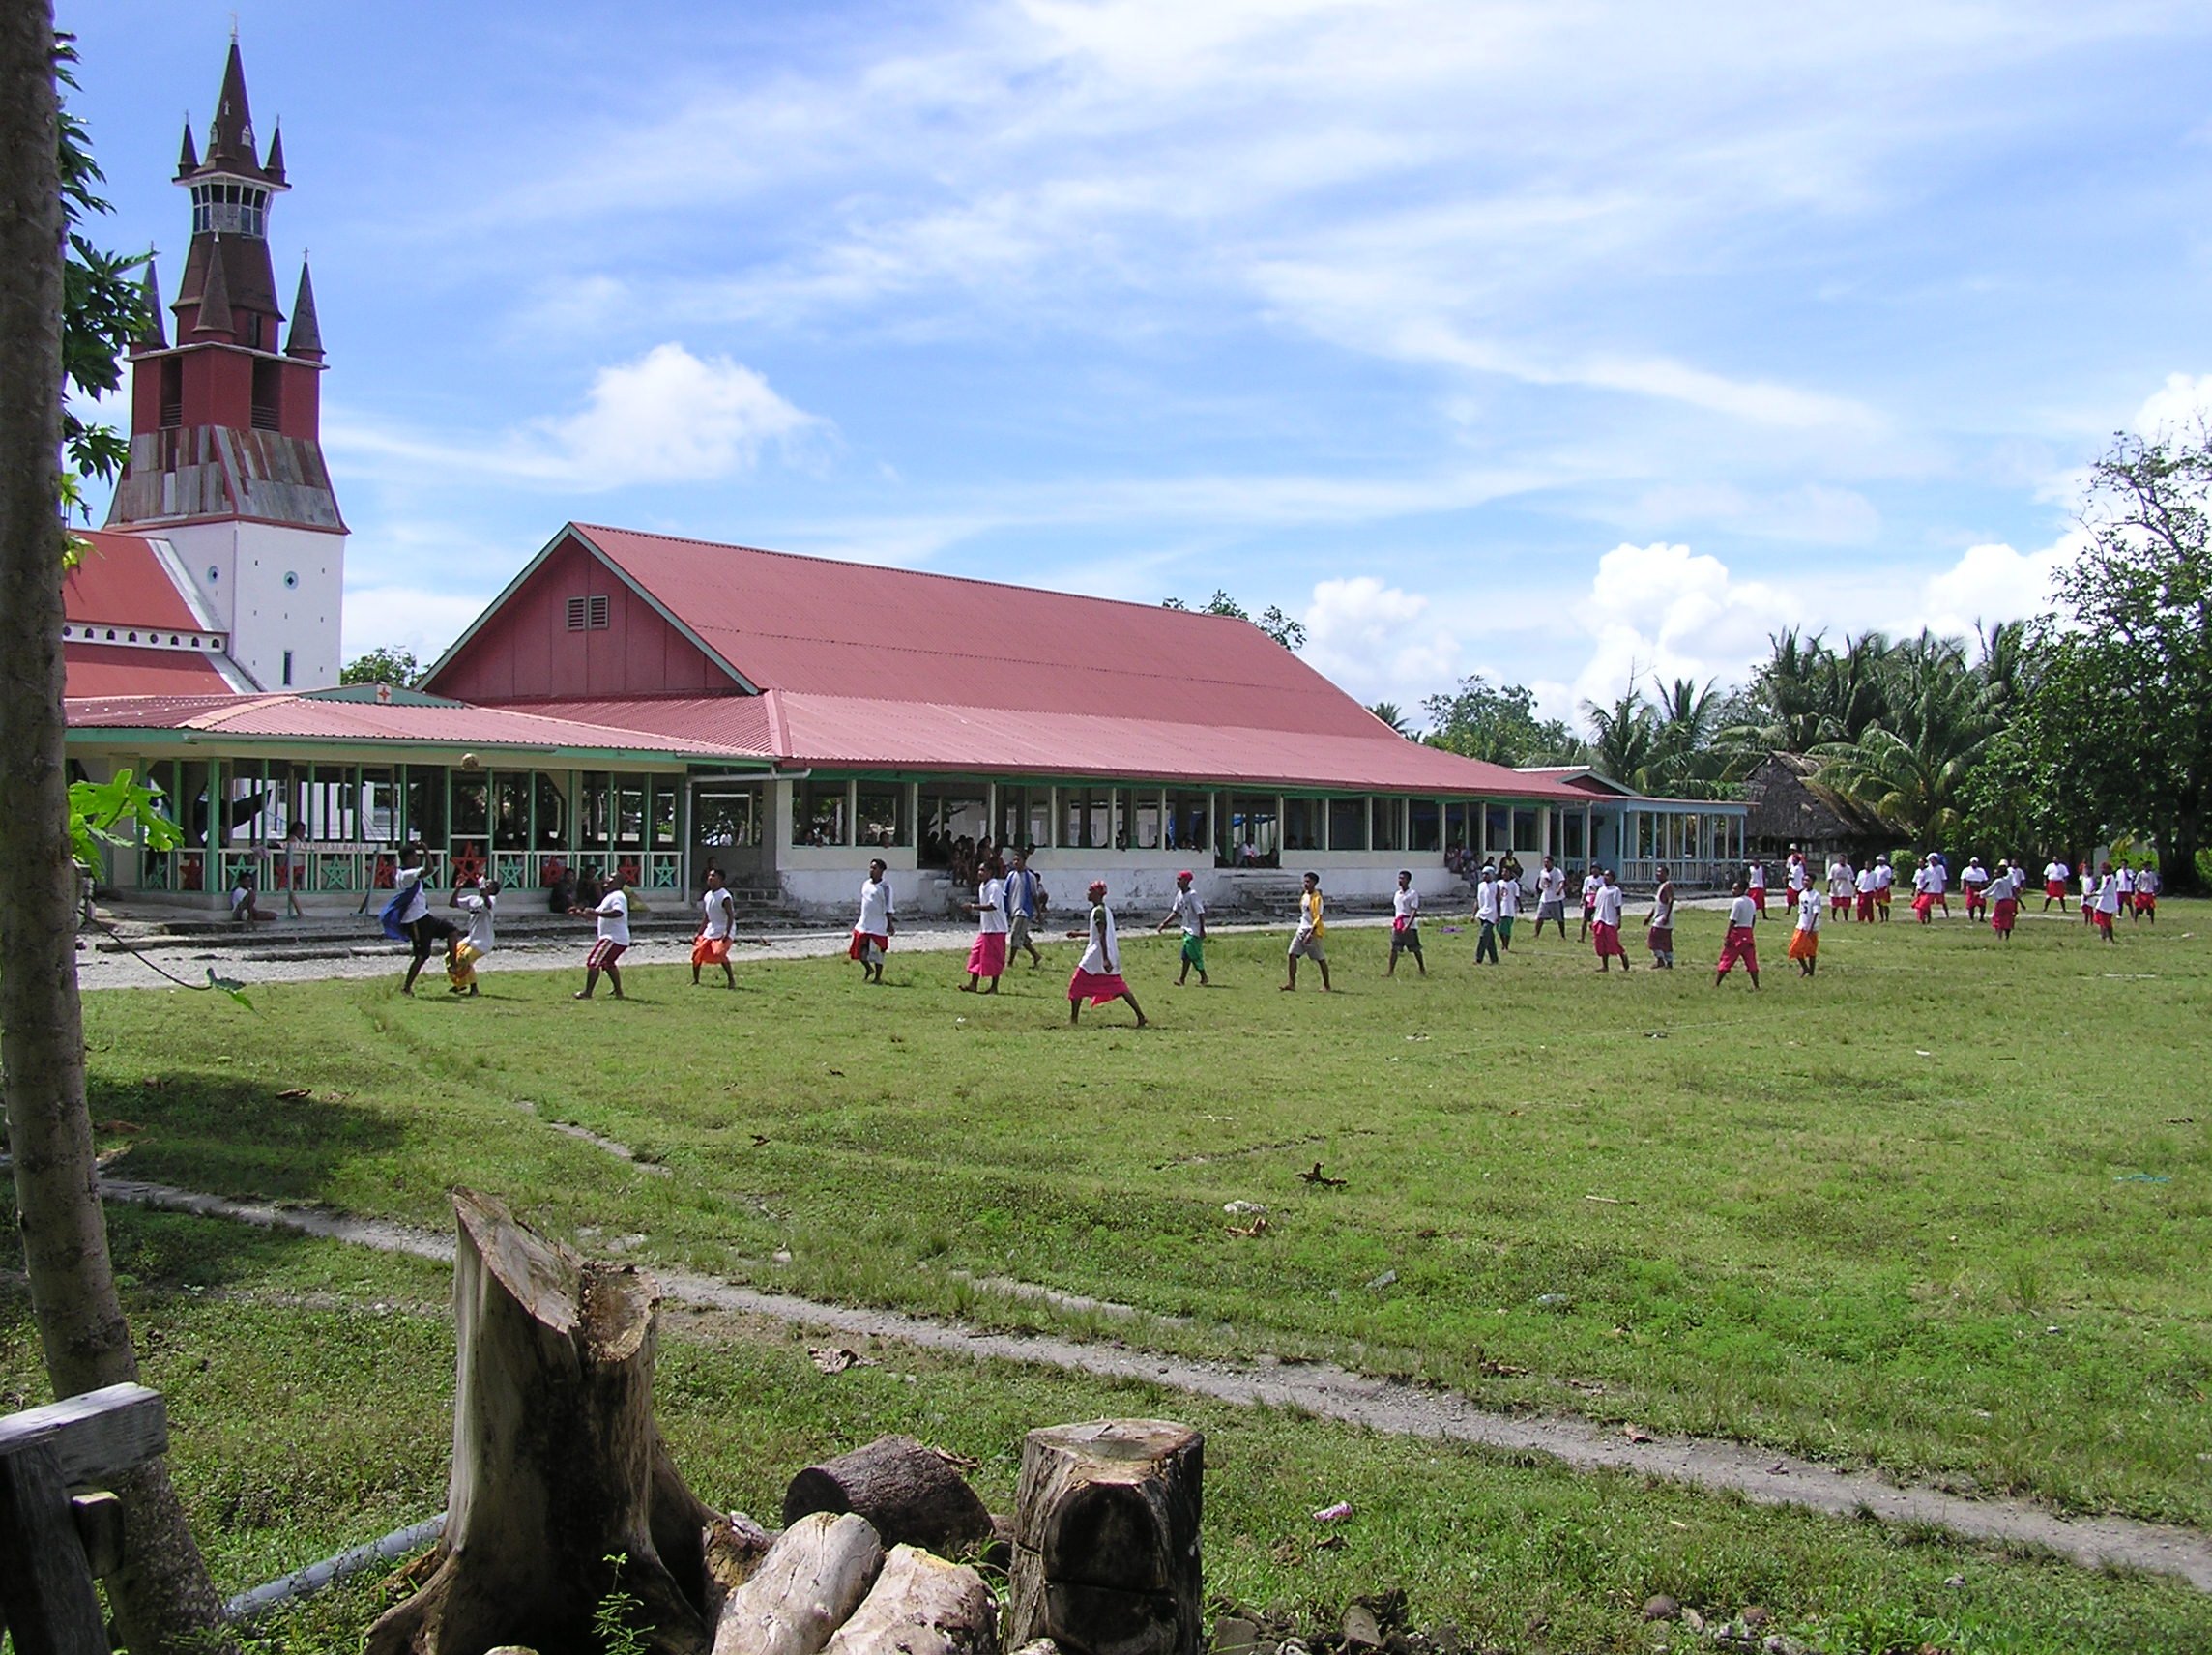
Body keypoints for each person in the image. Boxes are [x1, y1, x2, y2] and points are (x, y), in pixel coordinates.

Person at [1066, 880, 1147, 1027]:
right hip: (1105, 952)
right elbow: (1096, 933)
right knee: (1118, 986)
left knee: (1077, 984)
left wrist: (1104, 959)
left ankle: (1074, 1019)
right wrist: (1078, 934)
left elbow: (1101, 935)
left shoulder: (1099, 912)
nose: (1088, 893)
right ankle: (1140, 1016)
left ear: (1097, 894)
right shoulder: (1104, 910)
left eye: (1090, 890)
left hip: (1097, 954)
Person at [381, 846, 453, 996]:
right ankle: (406, 987)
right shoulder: (406, 874)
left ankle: (454, 964)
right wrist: (427, 851)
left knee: (452, 931)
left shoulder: (408, 873)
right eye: (414, 856)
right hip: (415, 920)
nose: (417, 859)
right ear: (407, 859)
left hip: (424, 916)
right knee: (421, 955)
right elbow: (429, 870)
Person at [570, 873, 631, 999]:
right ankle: (618, 992)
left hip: (613, 937)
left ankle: (587, 993)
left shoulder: (618, 896)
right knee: (608, 963)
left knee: (593, 962)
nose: (607, 879)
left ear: (618, 883)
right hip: (618, 938)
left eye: (611, 878)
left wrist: (597, 913)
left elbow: (618, 912)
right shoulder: (609, 897)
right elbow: (595, 916)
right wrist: (580, 914)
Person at [963, 857, 1011, 993]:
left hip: (996, 929)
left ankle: (994, 987)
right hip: (985, 929)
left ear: (990, 872)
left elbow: (992, 906)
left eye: (983, 870)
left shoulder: (994, 887)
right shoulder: (982, 886)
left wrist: (973, 906)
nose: (980, 873)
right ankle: (973, 984)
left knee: (995, 958)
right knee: (977, 955)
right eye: (979, 870)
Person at [1155, 870, 1208, 986]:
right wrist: (1164, 924)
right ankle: (1183, 979)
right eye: (1178, 879)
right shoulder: (1179, 895)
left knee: (1194, 955)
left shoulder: (1192, 895)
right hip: (1187, 929)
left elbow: (1200, 912)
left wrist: (1202, 929)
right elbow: (1175, 912)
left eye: (1181, 879)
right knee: (1186, 956)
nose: (1178, 882)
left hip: (1194, 930)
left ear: (1187, 881)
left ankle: (1203, 976)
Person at [448, 877, 499, 995]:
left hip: (483, 942)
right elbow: (453, 903)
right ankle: (459, 984)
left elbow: (489, 905)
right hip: (471, 939)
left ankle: (474, 988)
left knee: (465, 958)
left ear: (492, 890)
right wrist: (458, 888)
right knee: (450, 955)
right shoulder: (472, 899)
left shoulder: (492, 899)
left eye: (488, 885)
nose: (485, 886)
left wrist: (485, 895)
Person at [1283, 871, 1331, 991]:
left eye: (1308, 882)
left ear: (1315, 883)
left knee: (1320, 959)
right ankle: (1291, 984)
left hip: (1312, 932)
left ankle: (1326, 984)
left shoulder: (1317, 898)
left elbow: (1318, 917)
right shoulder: (1304, 896)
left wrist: (1311, 933)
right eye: (1305, 881)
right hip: (1301, 930)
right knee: (1292, 954)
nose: (1306, 884)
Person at [850, 858, 896, 984]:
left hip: (878, 925)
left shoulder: (885, 887)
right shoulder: (866, 884)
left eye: (874, 868)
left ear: (881, 871)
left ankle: (878, 977)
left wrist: (890, 924)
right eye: (871, 868)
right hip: (864, 923)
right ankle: (868, 969)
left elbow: (888, 906)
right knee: (859, 951)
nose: (871, 870)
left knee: (877, 953)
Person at [692, 867, 738, 988]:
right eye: (709, 876)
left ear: (721, 880)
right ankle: (696, 980)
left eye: (713, 876)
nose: (710, 878)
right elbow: (706, 917)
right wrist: (699, 932)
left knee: (719, 953)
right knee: (697, 952)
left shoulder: (725, 896)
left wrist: (726, 933)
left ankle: (731, 980)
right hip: (711, 928)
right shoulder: (707, 896)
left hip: (724, 928)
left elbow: (730, 916)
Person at [1004, 849, 1046, 969]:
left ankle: (1010, 962)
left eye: (1018, 860)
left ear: (1024, 861)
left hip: (1023, 911)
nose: (1016, 862)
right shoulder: (1011, 875)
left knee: (1015, 934)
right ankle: (1036, 955)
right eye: (1014, 860)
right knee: (1022, 936)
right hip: (1013, 909)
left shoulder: (1030, 877)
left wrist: (1038, 912)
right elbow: (1006, 893)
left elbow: (1034, 896)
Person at [1714, 878, 1761, 989]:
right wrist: (1750, 931)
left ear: (1742, 890)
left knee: (1727, 958)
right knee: (1751, 960)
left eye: (1736, 889)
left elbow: (1733, 921)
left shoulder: (1737, 902)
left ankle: (1717, 984)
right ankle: (1756, 985)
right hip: (1748, 932)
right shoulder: (1751, 901)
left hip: (1737, 933)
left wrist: (1727, 936)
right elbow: (1753, 918)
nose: (1733, 891)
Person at [1387, 870, 1425, 976]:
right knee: (1394, 948)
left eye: (1403, 878)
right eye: (1399, 878)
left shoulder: (1412, 894)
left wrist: (1408, 925)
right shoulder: (1397, 894)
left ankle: (1422, 968)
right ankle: (1390, 971)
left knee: (1415, 948)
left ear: (1408, 880)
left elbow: (1414, 910)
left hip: (1409, 925)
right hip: (1398, 924)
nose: (1400, 881)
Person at [1591, 867, 1629, 972]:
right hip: (1600, 918)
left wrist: (1618, 919)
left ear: (1613, 878)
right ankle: (1605, 966)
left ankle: (1622, 955)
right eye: (1604, 875)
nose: (1605, 877)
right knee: (1601, 942)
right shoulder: (1601, 890)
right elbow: (1597, 905)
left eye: (1608, 876)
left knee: (1612, 942)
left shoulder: (1615, 891)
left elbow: (1618, 907)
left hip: (1610, 920)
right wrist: (1593, 918)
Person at [1644, 862, 1675, 969]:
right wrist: (1649, 916)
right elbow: (1657, 904)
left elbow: (1671, 900)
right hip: (1660, 917)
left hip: (1663, 918)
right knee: (1665, 941)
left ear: (1666, 874)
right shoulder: (1661, 886)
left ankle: (1661, 960)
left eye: (1660, 872)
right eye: (1657, 872)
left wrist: (1666, 916)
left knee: (1653, 940)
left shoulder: (1667, 885)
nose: (1657, 874)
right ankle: (1669, 962)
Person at [1789, 878, 1822, 976]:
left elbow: (1816, 912)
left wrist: (1811, 927)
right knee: (1795, 948)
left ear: (1813, 882)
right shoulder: (1802, 894)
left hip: (1811, 927)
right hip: (1801, 926)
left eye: (1808, 880)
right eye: (1803, 880)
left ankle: (1811, 972)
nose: (1805, 882)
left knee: (1811, 951)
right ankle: (1805, 968)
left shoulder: (1815, 895)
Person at [1533, 854, 1568, 939]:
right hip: (1545, 898)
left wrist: (1559, 889)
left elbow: (1562, 882)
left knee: (1559, 918)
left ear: (1552, 863)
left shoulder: (1557, 871)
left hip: (1556, 899)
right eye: (1544, 862)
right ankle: (1536, 934)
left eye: (1547, 862)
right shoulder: (1542, 872)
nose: (1546, 864)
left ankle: (1563, 935)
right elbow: (1540, 884)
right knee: (1540, 916)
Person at [280, 818, 309, 918]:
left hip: (300, 863)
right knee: (292, 883)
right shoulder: (292, 838)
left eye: (303, 830)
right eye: (299, 830)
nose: (301, 832)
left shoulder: (303, 839)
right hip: (292, 863)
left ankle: (300, 888)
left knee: (298, 880)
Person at [1473, 864, 1501, 966]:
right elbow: (1477, 900)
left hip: (1491, 913)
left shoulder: (1496, 886)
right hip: (1482, 913)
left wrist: (1498, 915)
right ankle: (1494, 959)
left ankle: (1478, 958)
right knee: (1489, 938)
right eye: (1483, 874)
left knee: (1483, 936)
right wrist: (1473, 914)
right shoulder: (1480, 885)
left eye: (1487, 874)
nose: (1484, 876)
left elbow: (1498, 901)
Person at [1987, 858, 2020, 941]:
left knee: (1998, 919)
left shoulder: (2000, 880)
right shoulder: (2007, 880)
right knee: (2008, 919)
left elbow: (1989, 891)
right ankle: (2006, 938)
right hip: (2010, 901)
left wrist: (1980, 894)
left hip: (2002, 902)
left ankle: (1999, 937)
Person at [2092, 859, 2121, 943]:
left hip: (2108, 903)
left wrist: (2092, 894)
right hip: (2102, 902)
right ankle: (2103, 936)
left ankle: (2111, 939)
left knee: (2106, 922)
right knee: (2100, 920)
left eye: (2103, 869)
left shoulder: (2109, 878)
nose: (2102, 870)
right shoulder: (2104, 877)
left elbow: (2104, 891)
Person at [1496, 864, 1521, 950]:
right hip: (1500, 909)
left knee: (1506, 929)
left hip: (1509, 909)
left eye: (1506, 872)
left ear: (1510, 873)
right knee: (1498, 929)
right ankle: (1503, 943)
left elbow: (1517, 897)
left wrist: (1520, 907)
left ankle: (1506, 946)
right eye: (1503, 872)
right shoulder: (1498, 883)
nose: (1504, 873)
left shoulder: (1514, 884)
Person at [1910, 857, 1940, 925]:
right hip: (1919, 891)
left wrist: (1922, 889)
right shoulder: (1917, 871)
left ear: (1925, 863)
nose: (1920, 864)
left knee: (1924, 906)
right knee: (1920, 906)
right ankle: (1922, 920)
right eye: (1919, 862)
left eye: (1922, 863)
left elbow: (1927, 882)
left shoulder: (1928, 872)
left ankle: (1928, 918)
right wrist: (1913, 891)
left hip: (1927, 891)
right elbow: (1915, 882)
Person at [1961, 857, 1991, 922]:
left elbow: (1985, 880)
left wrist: (1985, 887)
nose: (1974, 864)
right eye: (1973, 862)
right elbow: (1963, 879)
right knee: (1971, 904)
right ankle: (1971, 918)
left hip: (1979, 888)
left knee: (1982, 903)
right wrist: (1962, 887)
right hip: (1971, 887)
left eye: (1975, 863)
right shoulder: (1966, 870)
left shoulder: (1981, 870)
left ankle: (1981, 918)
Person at [1828, 856, 1854, 921]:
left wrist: (1854, 888)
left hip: (1846, 888)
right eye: (1841, 860)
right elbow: (1830, 878)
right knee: (1834, 904)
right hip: (1836, 888)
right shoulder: (1834, 867)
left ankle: (1845, 918)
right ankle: (1833, 918)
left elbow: (1852, 878)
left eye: (1844, 860)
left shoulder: (1848, 867)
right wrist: (1828, 887)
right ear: (1839, 860)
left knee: (1846, 905)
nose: (1842, 861)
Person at [1579, 866, 1601, 941]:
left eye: (1596, 869)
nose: (1594, 870)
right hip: (1589, 900)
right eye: (1593, 869)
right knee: (1585, 919)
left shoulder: (1602, 879)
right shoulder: (1588, 879)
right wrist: (1582, 900)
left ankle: (1596, 937)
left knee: (1595, 919)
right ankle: (1582, 937)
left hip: (1598, 900)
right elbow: (1584, 891)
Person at [1854, 857, 1877, 924]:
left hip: (1869, 892)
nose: (1868, 866)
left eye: (1869, 865)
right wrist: (1855, 890)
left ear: (1871, 866)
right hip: (1862, 892)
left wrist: (1875, 893)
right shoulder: (1861, 872)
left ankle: (1870, 919)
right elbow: (1857, 883)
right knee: (1860, 907)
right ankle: (1861, 919)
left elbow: (1875, 884)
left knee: (1869, 907)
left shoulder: (1874, 874)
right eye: (1866, 865)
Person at [1872, 855, 1894, 921]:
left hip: (1883, 888)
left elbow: (1889, 879)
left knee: (1884, 904)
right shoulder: (1876, 868)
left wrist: (1887, 888)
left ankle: (1887, 918)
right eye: (1878, 861)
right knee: (1879, 904)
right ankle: (1882, 918)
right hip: (1877, 888)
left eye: (1880, 861)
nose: (1879, 862)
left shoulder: (1887, 869)